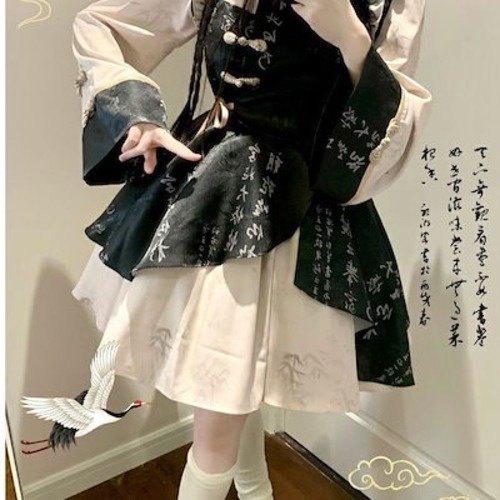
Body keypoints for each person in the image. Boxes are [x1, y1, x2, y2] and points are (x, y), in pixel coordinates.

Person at [71, 0, 431, 498]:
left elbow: (392, 137)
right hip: (210, 196)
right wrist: (135, 114)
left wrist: (351, 38)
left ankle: (257, 488)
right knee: (226, 397)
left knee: (228, 398)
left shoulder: (389, 5)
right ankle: (257, 489)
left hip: (302, 211)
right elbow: (102, 24)